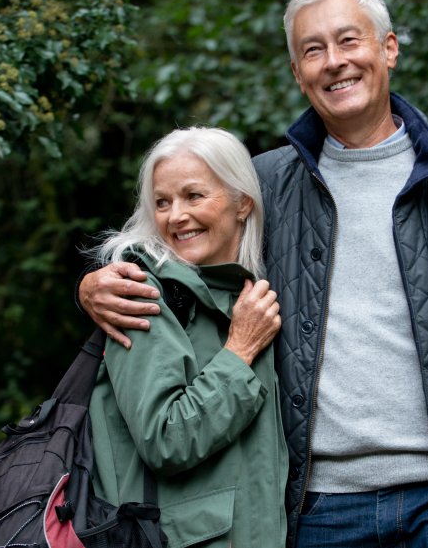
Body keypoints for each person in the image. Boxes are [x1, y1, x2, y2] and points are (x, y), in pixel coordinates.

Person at [79, 0, 428, 548]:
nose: (334, 61)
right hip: (312, 507)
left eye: (349, 40)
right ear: (297, 72)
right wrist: (95, 283)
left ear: (389, 48)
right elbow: (176, 250)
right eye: (313, 50)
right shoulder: (261, 186)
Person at [85, 126, 287, 548]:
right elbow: (165, 438)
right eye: (162, 202)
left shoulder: (249, 292)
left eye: (193, 196)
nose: (175, 216)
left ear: (242, 203)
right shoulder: (138, 293)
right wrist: (239, 352)